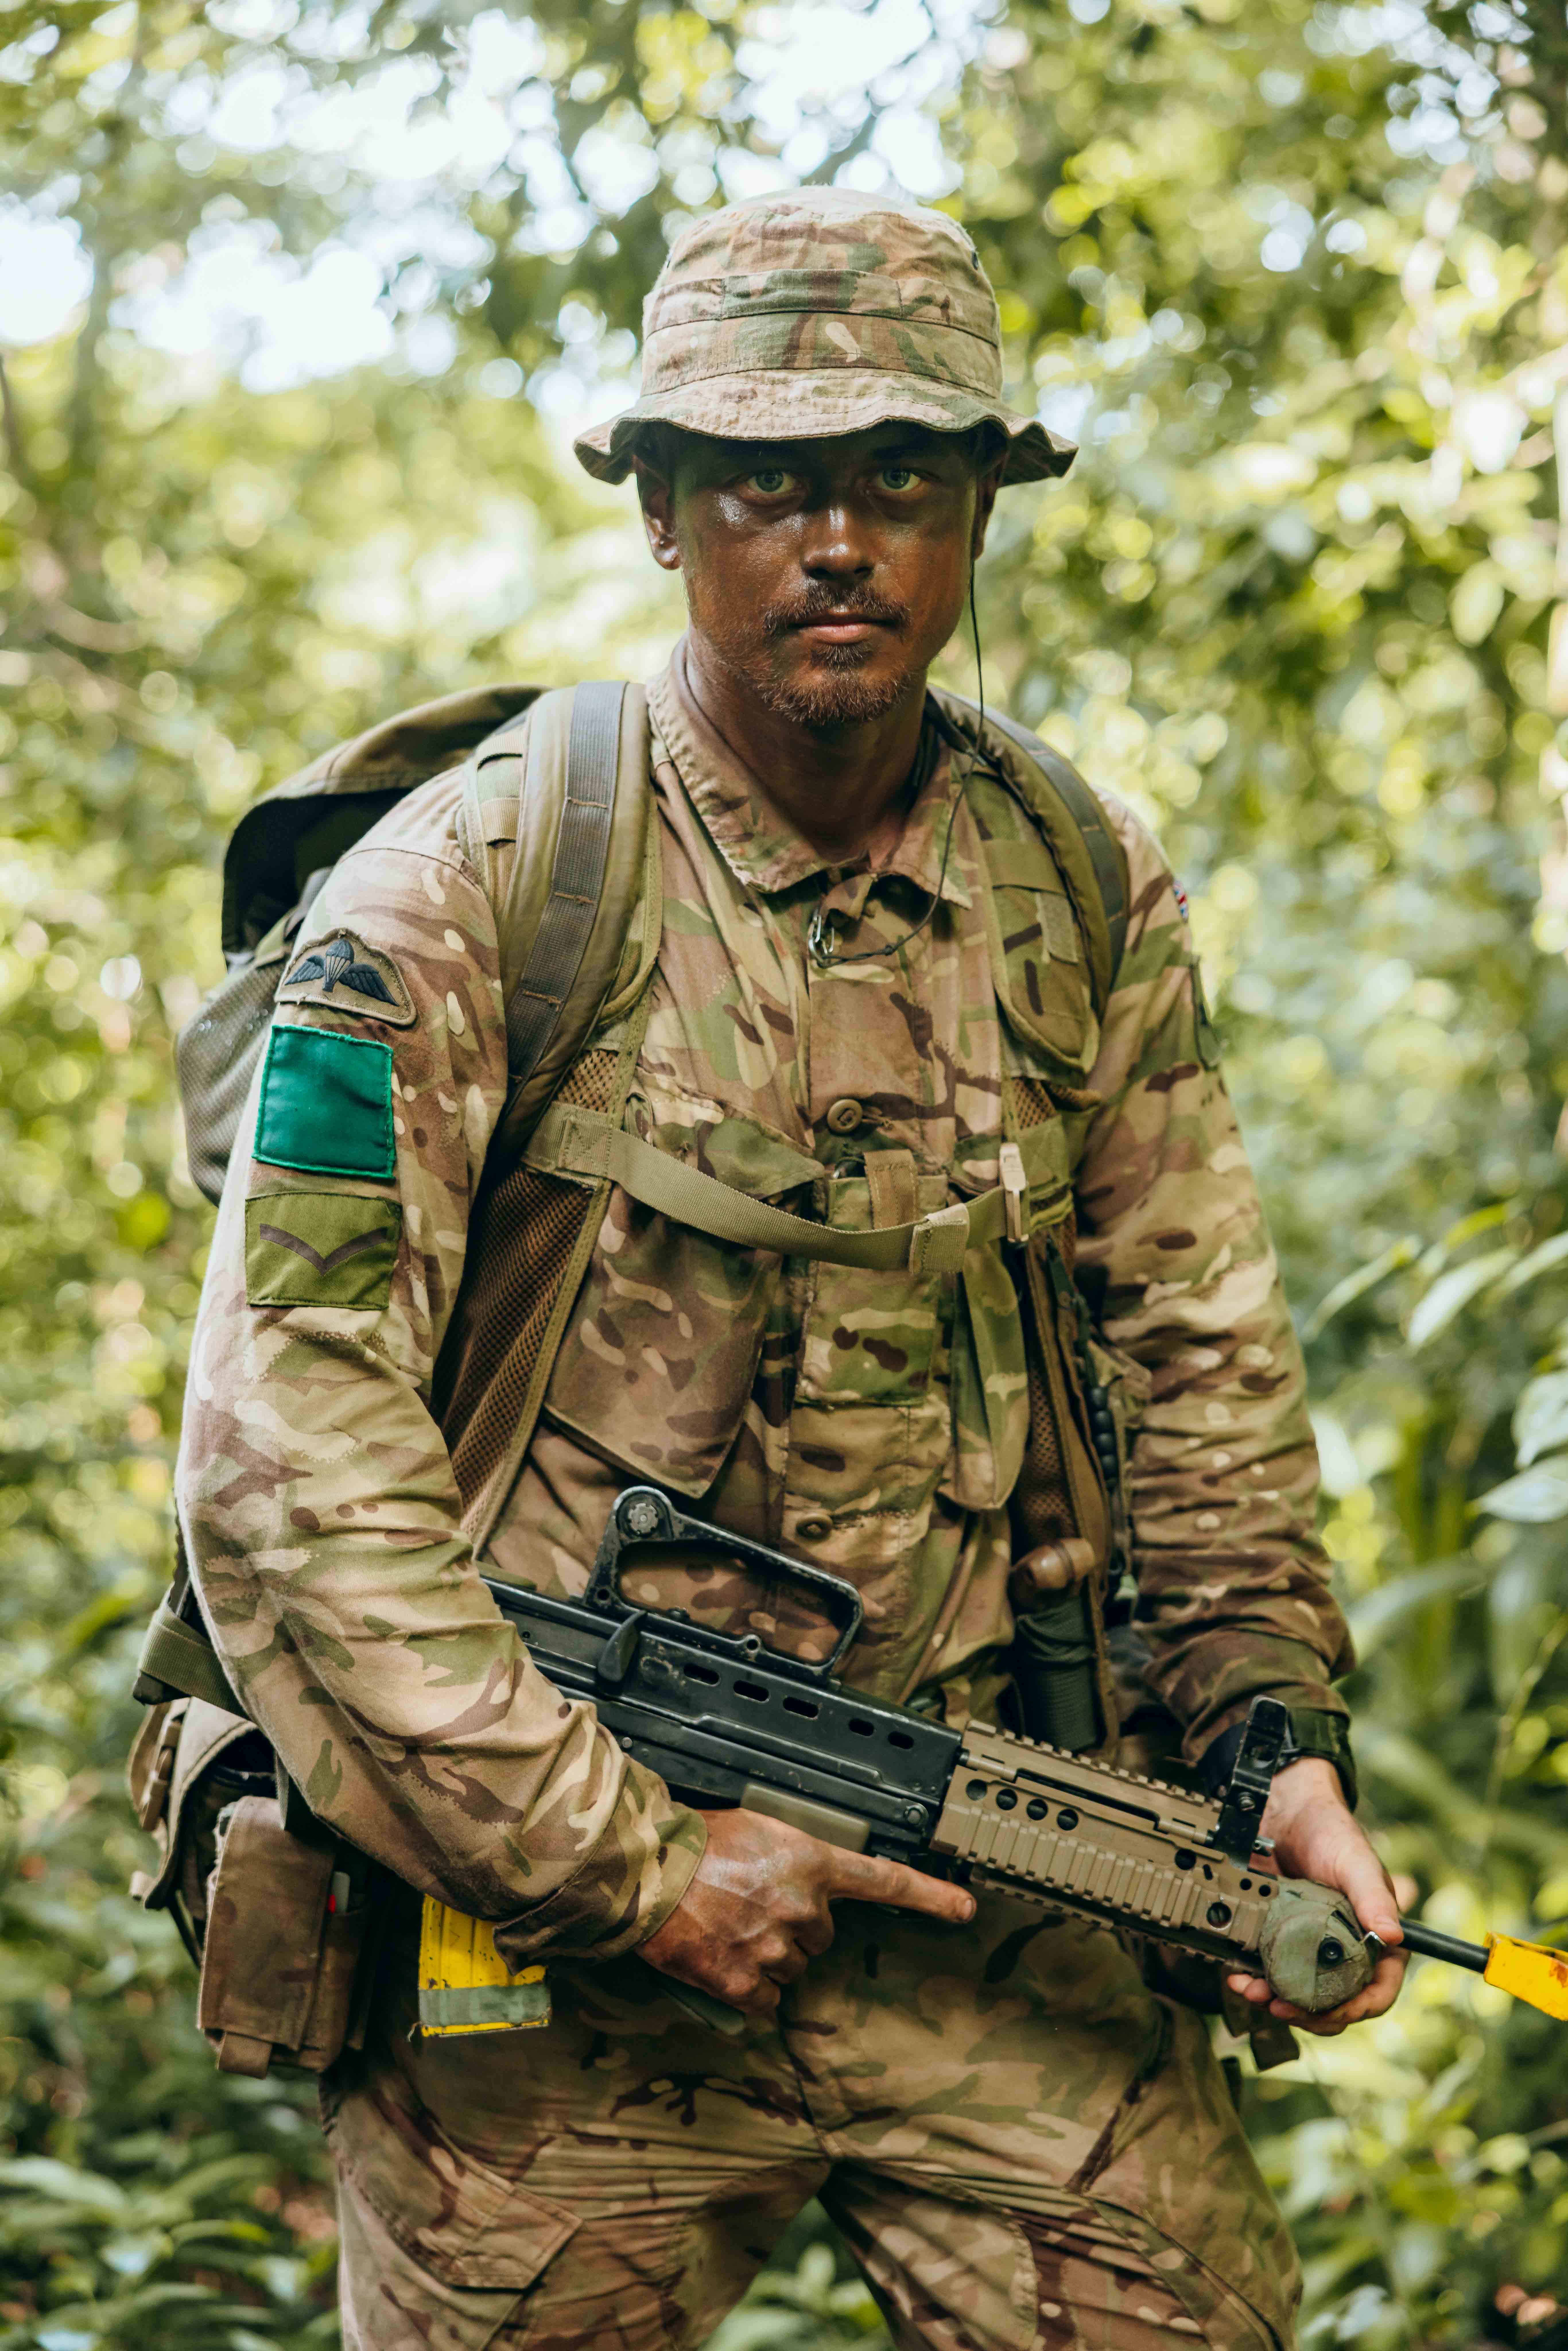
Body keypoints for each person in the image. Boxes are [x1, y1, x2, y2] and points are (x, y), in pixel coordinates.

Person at [176, 187, 1405, 2351]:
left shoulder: (1075, 874)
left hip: (992, 1880)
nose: (838, 541)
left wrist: (1262, 1740)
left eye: (900, 480)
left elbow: (1196, 1355)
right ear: (662, 512)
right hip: (551, 1903)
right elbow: (287, 1464)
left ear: (977, 516)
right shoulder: (466, 887)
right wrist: (634, 1870)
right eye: (765, 481)